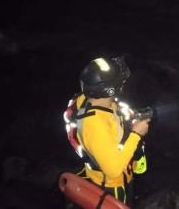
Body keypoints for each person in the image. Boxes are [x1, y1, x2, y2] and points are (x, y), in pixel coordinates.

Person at [63, 56, 150, 207]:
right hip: (112, 186)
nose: (123, 83)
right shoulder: (95, 124)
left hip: (113, 173)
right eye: (120, 81)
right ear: (109, 89)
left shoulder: (92, 98)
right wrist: (137, 134)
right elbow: (113, 169)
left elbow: (112, 116)